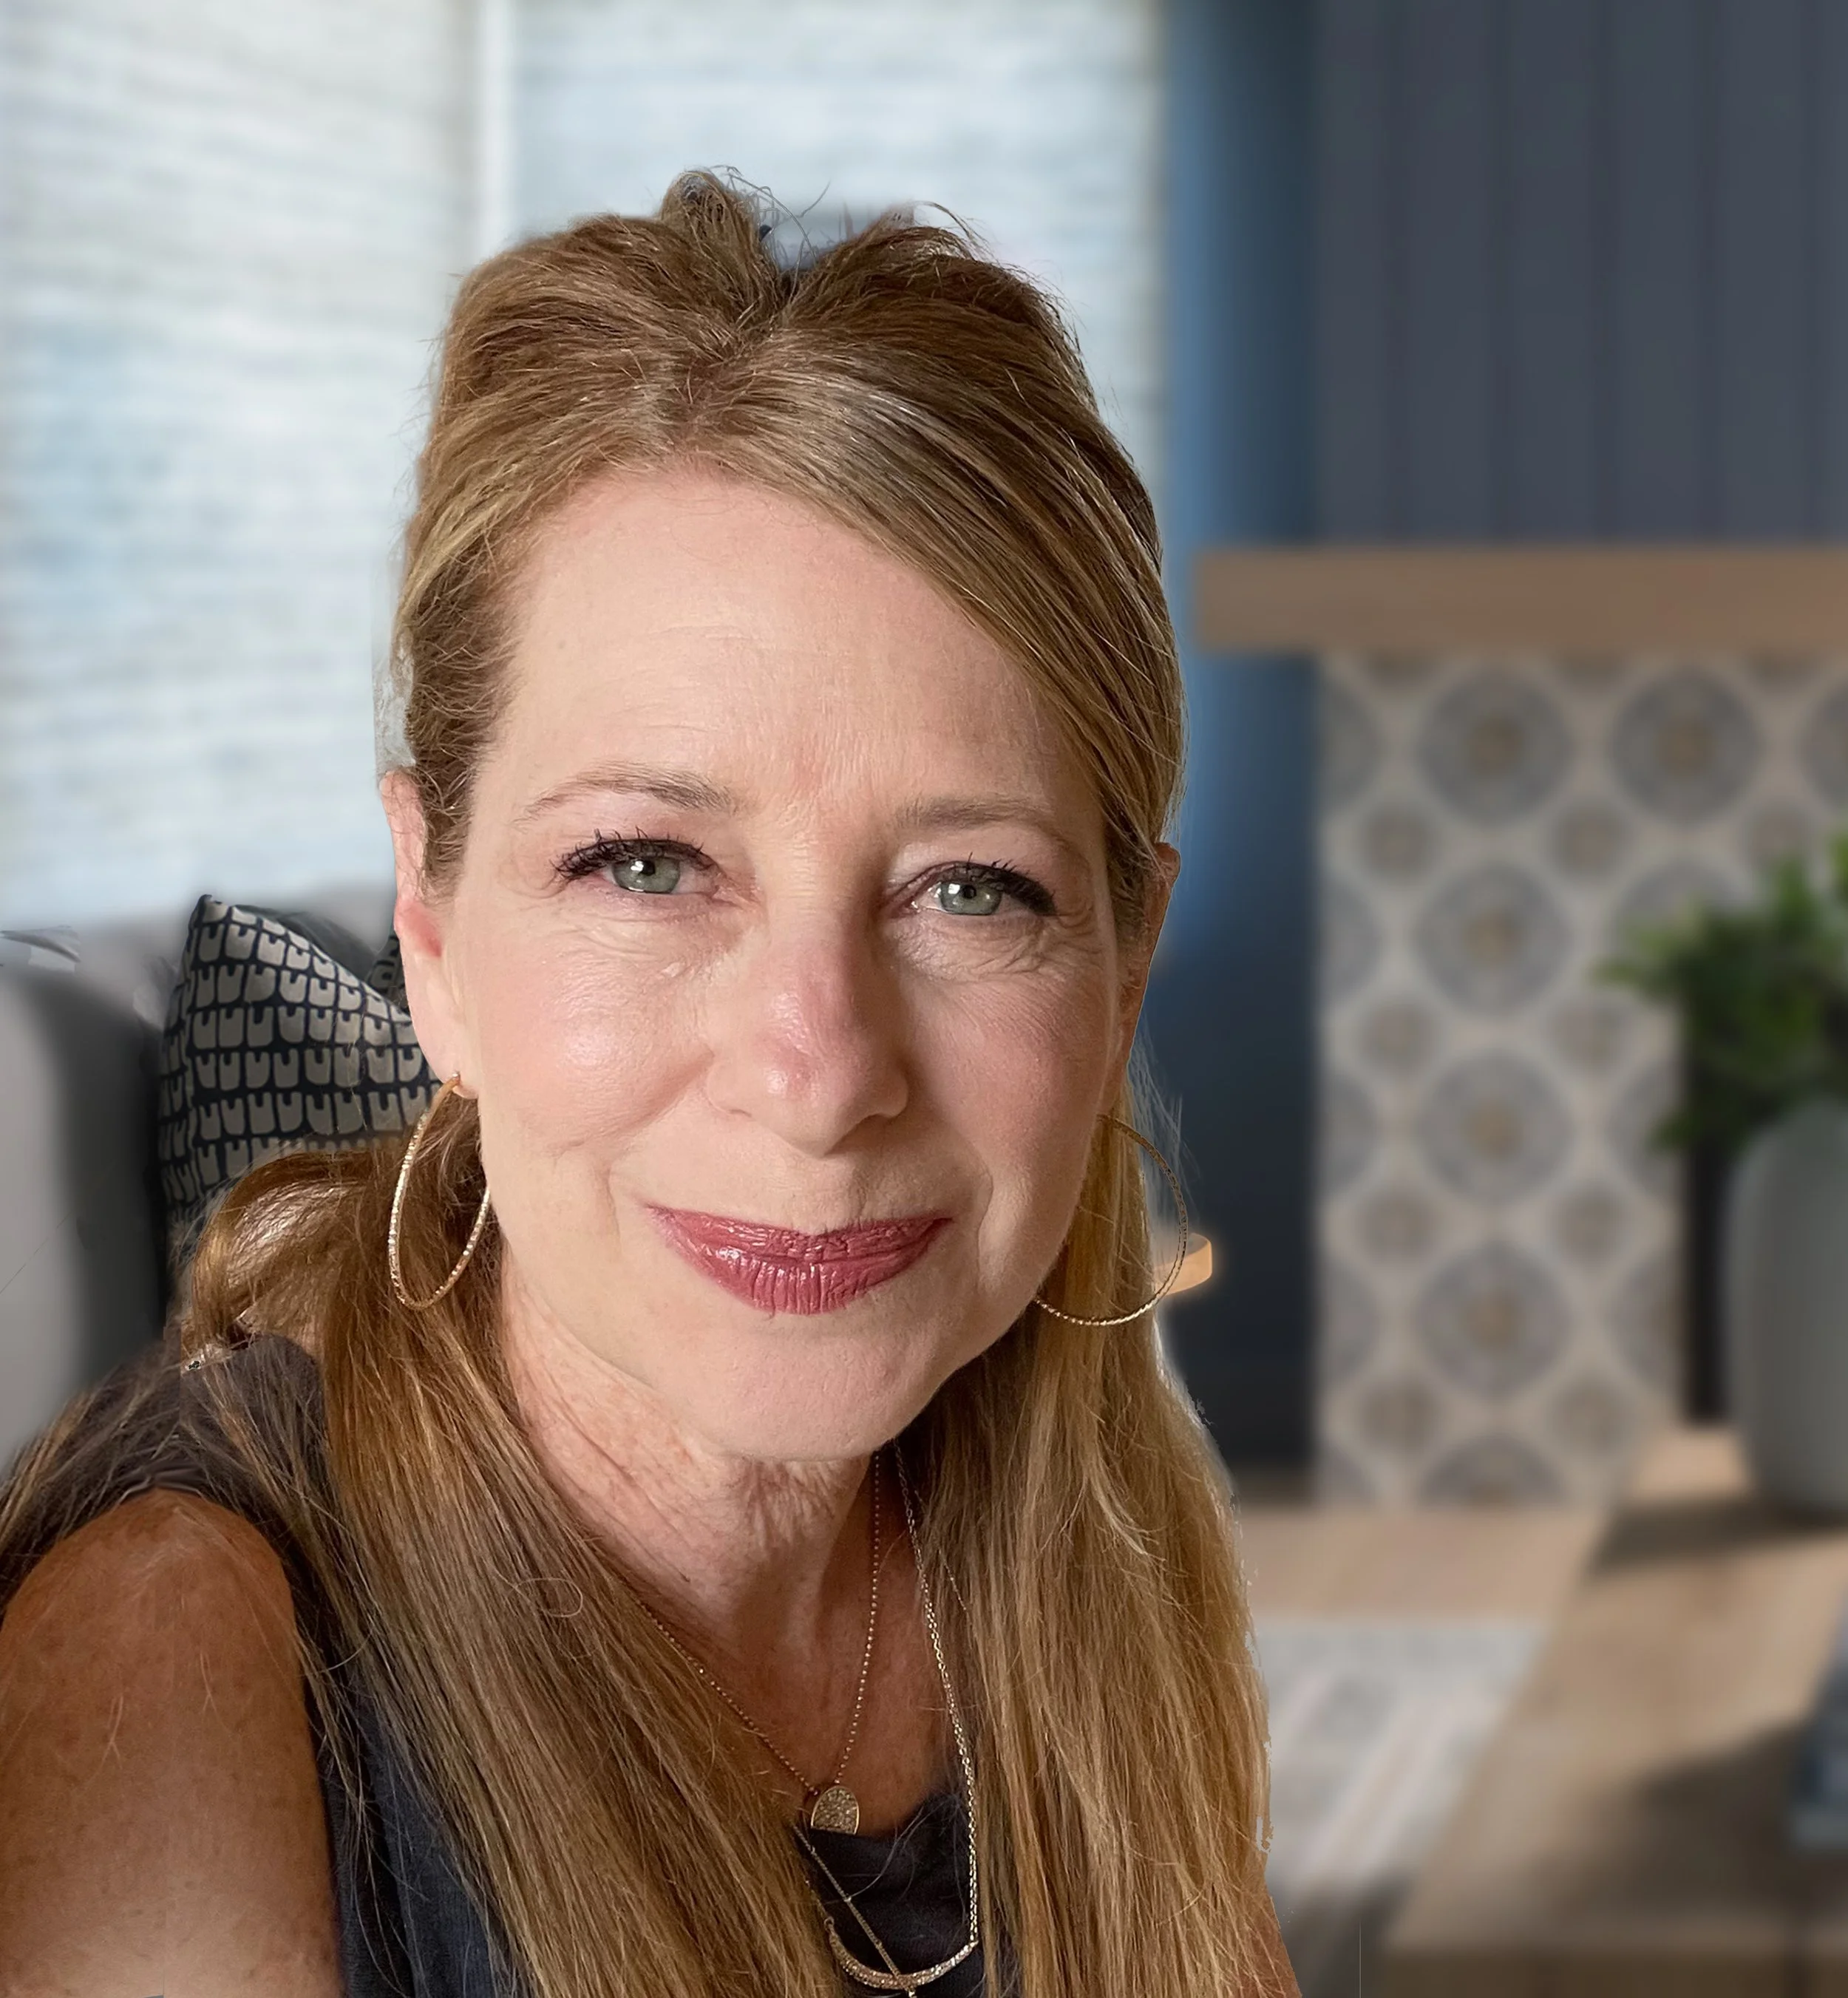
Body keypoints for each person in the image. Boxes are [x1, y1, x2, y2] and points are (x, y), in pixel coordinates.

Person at [0, 174, 1296, 1998]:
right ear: (430, 929)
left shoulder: (1072, 1504)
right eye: (645, 864)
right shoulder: (185, 1684)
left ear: (1122, 962)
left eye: (965, 888)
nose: (817, 1071)